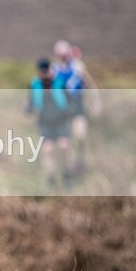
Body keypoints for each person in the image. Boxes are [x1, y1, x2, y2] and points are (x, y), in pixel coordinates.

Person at [51, 40, 96, 174]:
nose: (63, 56)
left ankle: (80, 159)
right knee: (66, 139)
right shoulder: (55, 69)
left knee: (80, 134)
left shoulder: (77, 66)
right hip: (63, 107)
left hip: (78, 105)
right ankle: (68, 167)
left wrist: (94, 103)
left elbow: (89, 84)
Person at [28, 57, 73, 189]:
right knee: (48, 150)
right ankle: (50, 178)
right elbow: (31, 102)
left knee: (64, 146)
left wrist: (70, 110)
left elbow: (69, 99)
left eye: (46, 70)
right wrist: (29, 108)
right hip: (44, 122)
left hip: (60, 120)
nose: (44, 73)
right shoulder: (35, 85)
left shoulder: (59, 83)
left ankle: (66, 173)